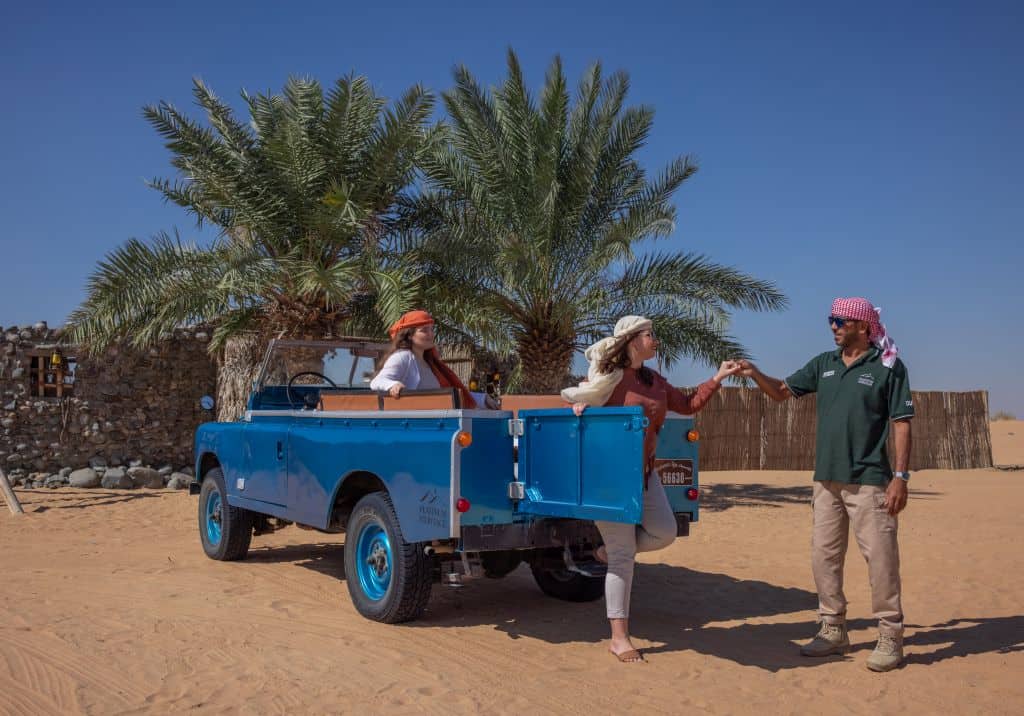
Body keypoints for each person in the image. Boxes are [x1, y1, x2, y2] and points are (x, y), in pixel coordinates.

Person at [739, 297, 913, 672]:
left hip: (870, 482)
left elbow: (901, 422)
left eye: (840, 321)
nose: (833, 326)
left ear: (864, 327)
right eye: (831, 320)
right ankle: (833, 629)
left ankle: (890, 635)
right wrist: (755, 373)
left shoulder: (888, 367)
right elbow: (782, 392)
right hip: (826, 481)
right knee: (824, 556)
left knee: (881, 560)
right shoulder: (824, 364)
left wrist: (900, 477)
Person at [563, 315, 742, 663]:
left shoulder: (653, 380)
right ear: (632, 340)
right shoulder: (607, 377)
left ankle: (604, 554)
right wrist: (579, 407)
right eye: (649, 335)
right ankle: (619, 637)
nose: (655, 340)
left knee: (665, 532)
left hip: (645, 474)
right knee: (622, 556)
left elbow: (687, 405)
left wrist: (718, 377)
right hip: (609, 477)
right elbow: (584, 400)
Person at [370, 310, 483, 409]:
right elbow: (377, 382)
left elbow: (449, 393)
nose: (431, 334)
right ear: (409, 335)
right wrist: (393, 385)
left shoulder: (430, 362)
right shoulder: (403, 356)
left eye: (431, 329)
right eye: (424, 330)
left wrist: (483, 399)